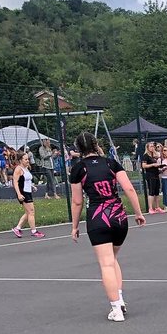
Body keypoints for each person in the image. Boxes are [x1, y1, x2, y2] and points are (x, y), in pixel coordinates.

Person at [69, 132, 145, 321]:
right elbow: (128, 188)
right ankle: (119, 299)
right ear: (96, 145)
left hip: (98, 219)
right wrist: (138, 213)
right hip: (119, 217)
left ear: (78, 148)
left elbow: (77, 202)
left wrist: (74, 226)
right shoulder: (111, 163)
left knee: (106, 264)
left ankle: (116, 309)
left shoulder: (78, 169)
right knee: (113, 259)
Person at [10, 151, 45, 239]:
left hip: (28, 192)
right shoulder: (18, 169)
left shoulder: (26, 168)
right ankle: (34, 231)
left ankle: (17, 228)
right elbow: (15, 182)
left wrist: (32, 186)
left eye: (28, 159)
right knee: (31, 211)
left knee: (28, 212)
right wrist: (19, 194)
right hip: (23, 193)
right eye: (25, 159)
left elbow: (27, 180)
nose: (27, 161)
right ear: (20, 160)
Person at [141, 141, 162, 212]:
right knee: (151, 191)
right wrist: (152, 165)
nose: (152, 148)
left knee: (157, 191)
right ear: (147, 147)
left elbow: (159, 158)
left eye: (153, 146)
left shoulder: (154, 155)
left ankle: (157, 207)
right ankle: (150, 208)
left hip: (156, 174)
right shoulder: (145, 155)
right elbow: (143, 166)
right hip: (150, 174)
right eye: (151, 146)